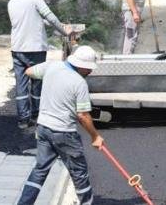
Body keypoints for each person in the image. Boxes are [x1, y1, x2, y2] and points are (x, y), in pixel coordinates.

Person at [17, 46, 103, 205]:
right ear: (81, 65)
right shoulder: (79, 83)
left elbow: (29, 72)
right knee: (79, 173)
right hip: (64, 133)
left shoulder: (53, 66)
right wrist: (95, 136)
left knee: (40, 170)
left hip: (43, 128)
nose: (91, 71)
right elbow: (83, 115)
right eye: (89, 68)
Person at [7, 0, 71, 129]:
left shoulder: (11, 2)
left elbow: (29, 19)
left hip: (17, 48)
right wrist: (64, 30)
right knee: (37, 83)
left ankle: (23, 119)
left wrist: (51, 25)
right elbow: (50, 17)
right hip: (35, 48)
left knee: (21, 85)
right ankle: (37, 114)